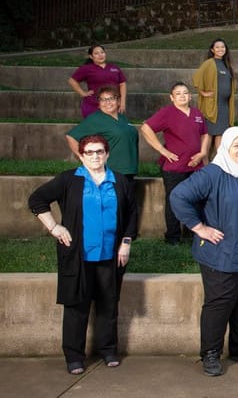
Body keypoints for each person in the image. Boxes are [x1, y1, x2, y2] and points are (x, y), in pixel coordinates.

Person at [29, 134, 138, 375]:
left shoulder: (119, 181)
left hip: (111, 255)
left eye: (100, 151)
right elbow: (37, 200)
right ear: (81, 155)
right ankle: (74, 356)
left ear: (107, 154)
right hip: (78, 256)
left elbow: (131, 214)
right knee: (76, 307)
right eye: (89, 152)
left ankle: (109, 350)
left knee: (108, 304)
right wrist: (54, 227)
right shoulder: (69, 180)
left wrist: (126, 242)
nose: (95, 156)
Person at [170, 127, 238, 376]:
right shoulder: (212, 173)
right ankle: (210, 353)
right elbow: (178, 196)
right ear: (225, 148)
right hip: (221, 252)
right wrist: (199, 228)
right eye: (236, 146)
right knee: (220, 302)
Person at [139, 82, 210, 245]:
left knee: (196, 200)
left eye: (185, 93)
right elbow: (146, 128)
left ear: (190, 96)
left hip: (195, 166)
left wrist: (203, 152)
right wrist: (163, 151)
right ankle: (172, 237)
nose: (182, 96)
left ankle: (194, 234)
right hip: (175, 167)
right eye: (178, 93)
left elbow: (205, 134)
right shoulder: (167, 113)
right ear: (172, 98)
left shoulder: (197, 113)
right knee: (174, 201)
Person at [66, 84, 139, 183]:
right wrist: (84, 158)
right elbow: (71, 137)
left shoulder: (123, 118)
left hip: (129, 172)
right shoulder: (95, 119)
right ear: (99, 103)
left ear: (118, 101)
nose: (107, 102)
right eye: (103, 99)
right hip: (111, 172)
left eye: (111, 98)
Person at [193, 38, 236, 150]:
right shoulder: (208, 63)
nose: (220, 49)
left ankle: (219, 163)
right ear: (212, 50)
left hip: (224, 106)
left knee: (221, 134)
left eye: (222, 47)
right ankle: (205, 165)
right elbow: (196, 78)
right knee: (208, 135)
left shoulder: (227, 64)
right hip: (212, 106)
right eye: (217, 47)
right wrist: (204, 93)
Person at [68, 44, 127, 118]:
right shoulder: (86, 68)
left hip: (112, 105)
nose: (100, 55)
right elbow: (72, 81)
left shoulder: (114, 67)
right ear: (91, 56)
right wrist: (82, 93)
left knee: (111, 128)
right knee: (94, 128)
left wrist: (122, 102)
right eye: (96, 53)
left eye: (102, 52)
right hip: (93, 105)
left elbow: (122, 84)